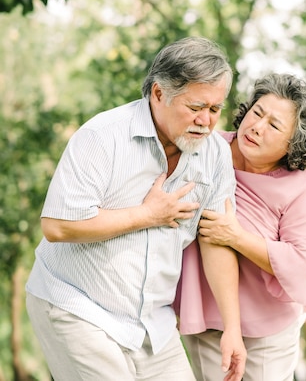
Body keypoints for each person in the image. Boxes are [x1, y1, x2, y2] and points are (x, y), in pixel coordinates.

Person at [25, 37, 246, 381]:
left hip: (152, 324)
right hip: (77, 307)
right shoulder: (102, 135)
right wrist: (147, 215)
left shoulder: (216, 155)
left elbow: (215, 238)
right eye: (195, 107)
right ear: (158, 94)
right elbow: (57, 226)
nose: (206, 120)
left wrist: (233, 327)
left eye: (215, 110)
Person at [174, 72, 306, 381]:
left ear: (292, 145)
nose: (257, 127)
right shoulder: (206, 148)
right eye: (257, 113)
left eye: (273, 126)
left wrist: (236, 236)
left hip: (270, 329)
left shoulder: (299, 188)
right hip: (209, 314)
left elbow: (300, 263)